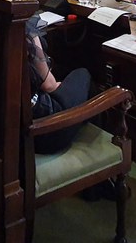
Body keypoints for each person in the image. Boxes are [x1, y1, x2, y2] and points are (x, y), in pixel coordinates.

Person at [25, 14, 90, 154]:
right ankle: (98, 146)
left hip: (6, 130)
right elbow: (49, 85)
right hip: (42, 131)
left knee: (64, 72)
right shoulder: (23, 25)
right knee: (83, 74)